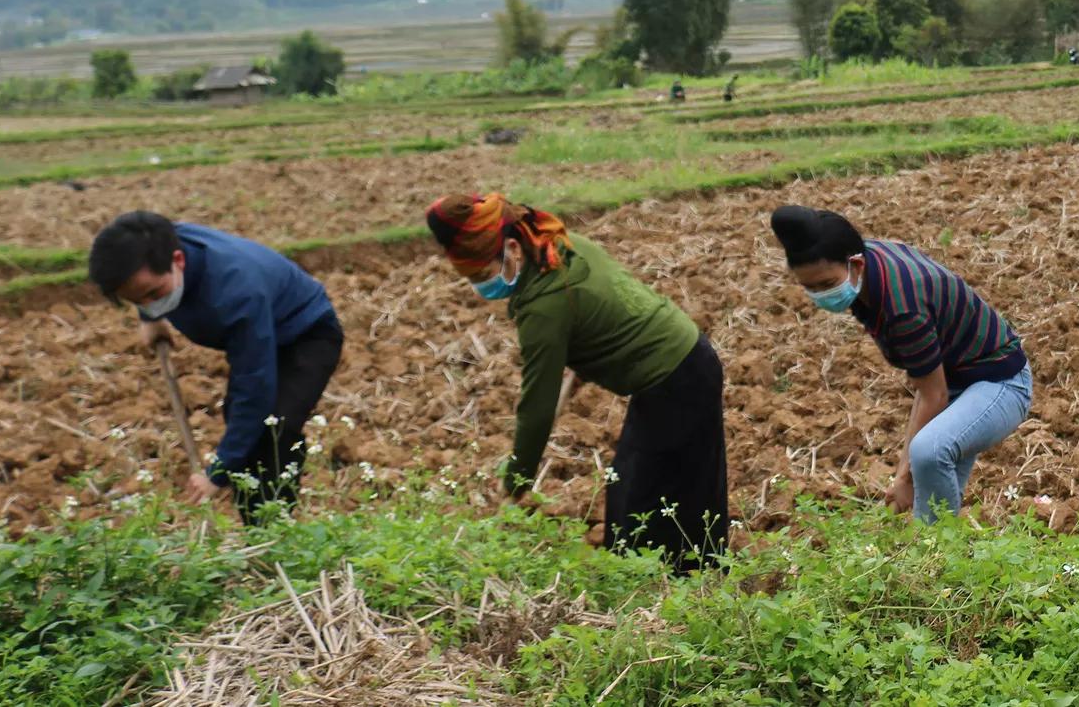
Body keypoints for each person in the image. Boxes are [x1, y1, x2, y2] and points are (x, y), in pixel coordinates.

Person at [426, 193, 728, 568]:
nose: (481, 286)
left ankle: (673, 580)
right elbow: (598, 309)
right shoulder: (558, 245)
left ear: (513, 248)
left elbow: (536, 408)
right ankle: (683, 572)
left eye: (482, 274)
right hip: (684, 363)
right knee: (647, 486)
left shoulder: (543, 307)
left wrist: (517, 480)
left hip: (674, 378)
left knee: (650, 497)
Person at [770, 204, 1031, 521]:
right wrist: (903, 476)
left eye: (826, 284)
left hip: (999, 384)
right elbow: (931, 390)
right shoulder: (871, 260)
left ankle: (938, 555)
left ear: (855, 264)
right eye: (809, 287)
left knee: (929, 453)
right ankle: (936, 559)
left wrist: (905, 477)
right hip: (957, 380)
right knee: (929, 493)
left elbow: (934, 395)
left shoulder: (903, 309)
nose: (820, 295)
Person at [87, 211, 342, 523]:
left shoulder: (235, 292)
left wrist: (217, 472)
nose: (150, 302)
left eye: (154, 295)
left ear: (178, 260)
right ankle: (254, 521)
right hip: (261, 325)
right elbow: (143, 280)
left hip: (306, 333)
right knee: (240, 423)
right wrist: (151, 317)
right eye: (138, 301)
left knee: (273, 428)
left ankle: (273, 533)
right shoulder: (152, 244)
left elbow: (254, 387)